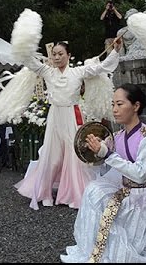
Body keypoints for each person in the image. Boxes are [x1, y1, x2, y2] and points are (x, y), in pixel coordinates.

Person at [60, 83, 146, 263]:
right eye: (113, 104)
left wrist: (107, 153)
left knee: (124, 248)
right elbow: (102, 167)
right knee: (93, 190)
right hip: (127, 191)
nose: (114, 109)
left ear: (135, 106)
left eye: (120, 104)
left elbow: (140, 174)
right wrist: (94, 149)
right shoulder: (118, 135)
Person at [15, 40, 123, 210]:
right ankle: (44, 192)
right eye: (54, 54)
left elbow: (102, 67)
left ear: (69, 56)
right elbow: (31, 62)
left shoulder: (78, 71)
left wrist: (115, 51)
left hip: (72, 115)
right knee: (53, 155)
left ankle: (73, 193)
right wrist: (24, 45)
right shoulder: (48, 71)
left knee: (74, 156)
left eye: (60, 54)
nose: (57, 57)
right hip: (55, 116)